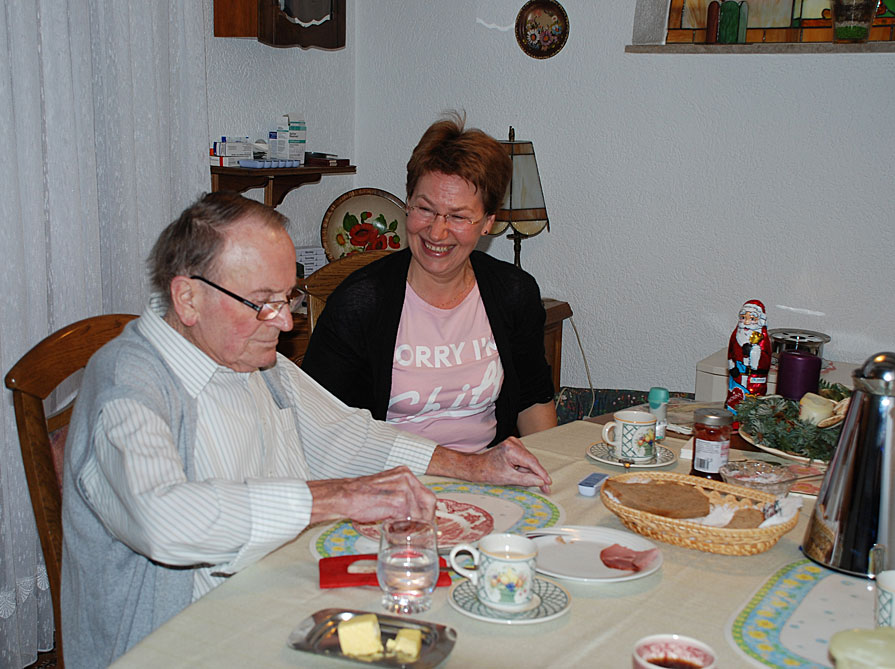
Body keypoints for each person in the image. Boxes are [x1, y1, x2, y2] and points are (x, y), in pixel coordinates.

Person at [59, 191, 551, 668]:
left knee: (484, 628)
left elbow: (347, 435)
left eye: (287, 297)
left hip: (272, 607)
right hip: (180, 643)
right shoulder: (129, 387)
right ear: (187, 298)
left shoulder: (254, 360)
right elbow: (163, 521)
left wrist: (472, 465)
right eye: (262, 302)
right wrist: (336, 498)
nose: (286, 321)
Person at [303, 113, 557, 453]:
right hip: (392, 481)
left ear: (488, 223)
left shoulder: (514, 293)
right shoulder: (359, 303)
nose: (436, 232)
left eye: (457, 216)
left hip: (491, 479)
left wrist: (547, 474)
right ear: (407, 204)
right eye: (425, 209)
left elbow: (532, 400)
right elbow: (324, 429)